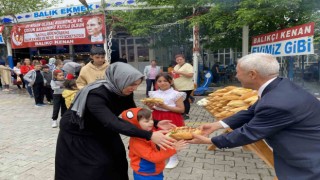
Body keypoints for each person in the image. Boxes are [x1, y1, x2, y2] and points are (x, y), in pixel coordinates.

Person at [190, 53, 320, 180]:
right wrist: (217, 125)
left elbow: (248, 133)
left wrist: (210, 141)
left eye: (238, 72)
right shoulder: (279, 86)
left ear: (252, 74)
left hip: (307, 163)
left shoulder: (276, 102)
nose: (236, 76)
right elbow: (251, 111)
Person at [55, 62, 176, 180]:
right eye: (132, 84)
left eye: (137, 84)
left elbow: (132, 114)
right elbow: (112, 122)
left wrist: (155, 122)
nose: (135, 88)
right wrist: (149, 135)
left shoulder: (123, 91)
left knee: (118, 157)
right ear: (120, 80)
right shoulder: (96, 95)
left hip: (103, 127)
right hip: (80, 132)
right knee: (97, 165)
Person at [121, 107, 187, 180]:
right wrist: (173, 149)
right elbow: (154, 157)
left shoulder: (151, 133)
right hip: (145, 175)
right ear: (135, 124)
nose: (152, 122)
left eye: (152, 119)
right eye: (147, 121)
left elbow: (160, 143)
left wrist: (173, 137)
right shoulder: (137, 142)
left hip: (155, 171)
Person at [147, 72, 186, 169]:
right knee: (158, 136)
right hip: (156, 116)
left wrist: (165, 106)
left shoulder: (176, 94)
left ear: (171, 81)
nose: (162, 83)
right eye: (159, 81)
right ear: (156, 82)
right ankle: (161, 154)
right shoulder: (154, 93)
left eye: (165, 81)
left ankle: (174, 157)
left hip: (171, 117)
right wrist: (151, 106)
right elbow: (153, 108)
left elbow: (181, 109)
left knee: (171, 137)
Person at [172, 54, 194, 119]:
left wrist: (179, 72)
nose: (179, 61)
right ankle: (181, 113)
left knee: (185, 100)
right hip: (178, 87)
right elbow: (175, 75)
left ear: (184, 59)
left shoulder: (188, 66)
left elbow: (190, 74)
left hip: (186, 87)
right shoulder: (176, 66)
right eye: (177, 60)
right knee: (179, 100)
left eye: (180, 59)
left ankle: (186, 114)